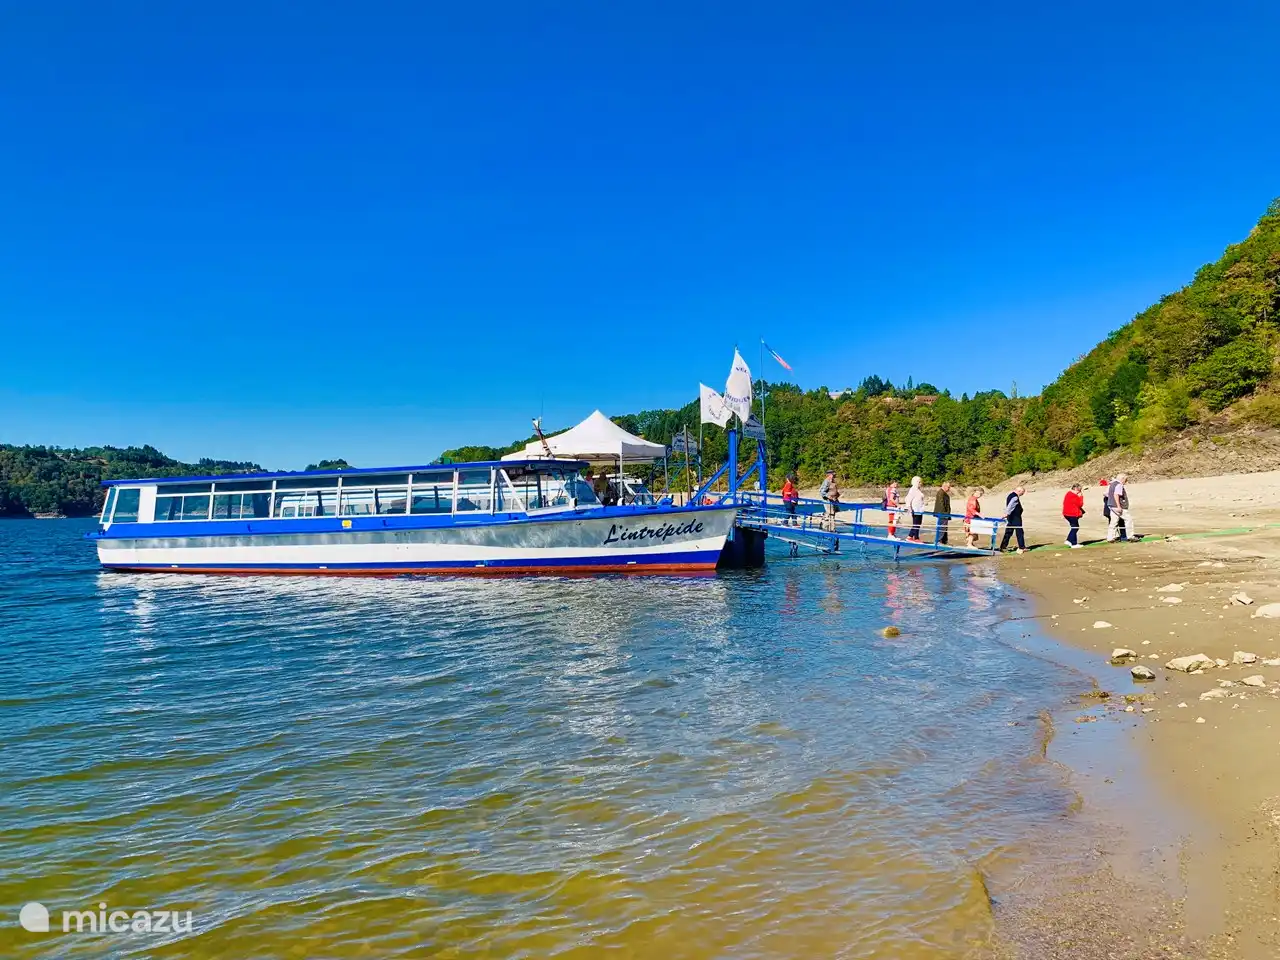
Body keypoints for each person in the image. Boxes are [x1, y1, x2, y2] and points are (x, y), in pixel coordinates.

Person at [1106, 473, 1137, 542]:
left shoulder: (1111, 484)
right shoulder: (1119, 485)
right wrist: (1118, 506)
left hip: (1111, 505)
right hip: (1117, 506)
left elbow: (1106, 494)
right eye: (1125, 480)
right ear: (1122, 479)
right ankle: (1130, 536)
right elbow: (1116, 495)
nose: (1126, 481)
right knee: (1128, 520)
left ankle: (1110, 537)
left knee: (1113, 522)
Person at [999, 486, 1026, 554]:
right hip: (1015, 518)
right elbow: (1010, 506)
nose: (1022, 494)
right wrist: (1006, 514)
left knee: (1008, 532)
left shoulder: (1010, 495)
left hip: (1011, 517)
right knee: (1019, 532)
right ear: (1019, 491)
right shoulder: (1015, 497)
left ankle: (1003, 547)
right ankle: (1022, 547)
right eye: (1022, 493)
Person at [1062, 483, 1085, 548]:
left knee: (1074, 527)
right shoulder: (1073, 495)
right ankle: (1072, 543)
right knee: (1075, 527)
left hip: (1067, 514)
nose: (1079, 492)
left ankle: (1070, 541)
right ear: (1075, 489)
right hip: (1071, 514)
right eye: (1079, 490)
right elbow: (1080, 504)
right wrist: (1081, 497)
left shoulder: (1068, 494)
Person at [905, 476, 926, 542]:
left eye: (920, 482)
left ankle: (911, 536)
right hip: (915, 510)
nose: (920, 483)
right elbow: (908, 499)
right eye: (919, 482)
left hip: (919, 510)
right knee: (916, 524)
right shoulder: (913, 489)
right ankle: (915, 537)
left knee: (918, 524)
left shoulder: (918, 490)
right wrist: (909, 508)